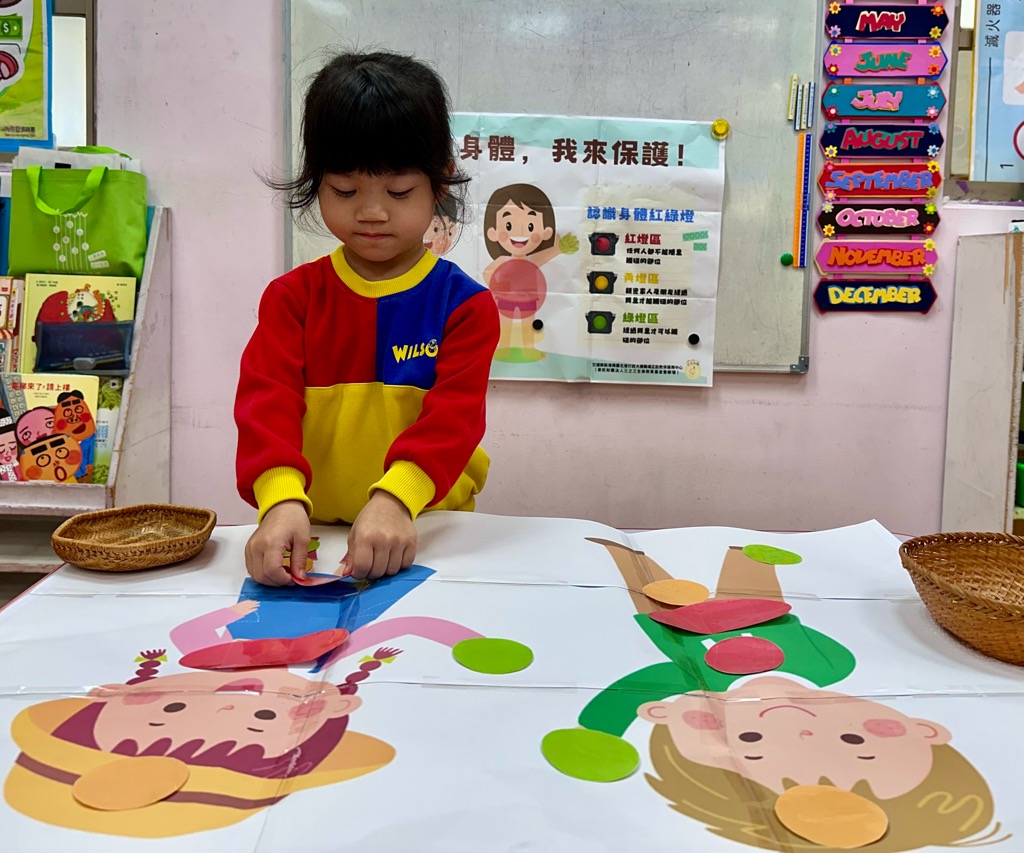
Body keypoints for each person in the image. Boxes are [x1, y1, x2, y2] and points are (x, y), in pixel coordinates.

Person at [235, 51, 499, 586]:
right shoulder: (292, 299)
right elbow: (266, 407)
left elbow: (454, 422)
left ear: (440, 184)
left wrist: (396, 499)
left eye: (398, 192)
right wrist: (280, 500)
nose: (372, 212)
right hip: (315, 536)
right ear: (316, 181)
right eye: (345, 191)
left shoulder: (464, 306)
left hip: (429, 529)